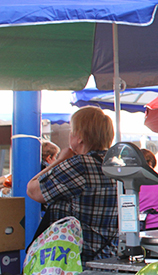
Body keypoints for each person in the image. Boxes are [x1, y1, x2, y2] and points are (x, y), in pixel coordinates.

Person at [26, 106, 118, 261]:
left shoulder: (80, 165)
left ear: (80, 136)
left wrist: (60, 160)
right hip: (107, 255)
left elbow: (33, 190)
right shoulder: (115, 166)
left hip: (72, 261)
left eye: (71, 130)